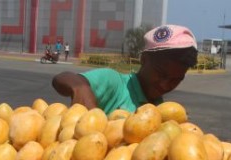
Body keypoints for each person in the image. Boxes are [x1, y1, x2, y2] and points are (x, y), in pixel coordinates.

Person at [52, 24, 198, 115]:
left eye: (175, 80)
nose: (165, 85)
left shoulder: (160, 110)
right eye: (161, 74)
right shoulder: (115, 83)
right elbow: (64, 78)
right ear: (144, 59)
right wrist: (80, 88)